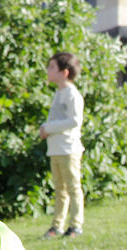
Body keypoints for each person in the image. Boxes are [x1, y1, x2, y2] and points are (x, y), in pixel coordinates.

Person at [41, 51, 85, 239]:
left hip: (69, 149)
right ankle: (57, 226)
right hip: (56, 149)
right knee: (60, 190)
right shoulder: (59, 93)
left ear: (65, 72)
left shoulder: (72, 94)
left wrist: (48, 127)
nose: (48, 71)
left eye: (52, 67)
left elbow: (75, 120)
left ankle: (75, 225)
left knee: (73, 187)